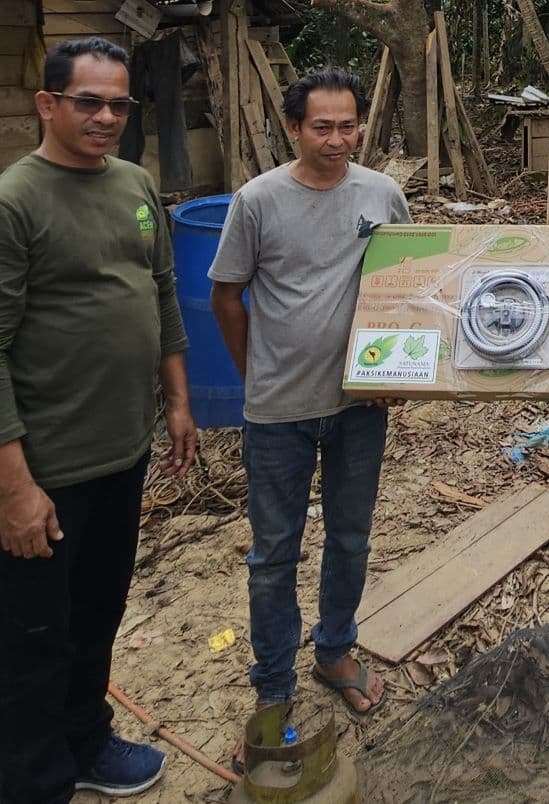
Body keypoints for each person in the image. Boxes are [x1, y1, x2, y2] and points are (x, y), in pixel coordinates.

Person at [0, 38, 195, 802]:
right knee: (31, 639)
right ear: (49, 104)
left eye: (120, 103)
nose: (107, 116)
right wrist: (15, 487)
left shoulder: (135, 184)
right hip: (46, 466)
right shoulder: (17, 201)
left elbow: (162, 295)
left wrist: (177, 402)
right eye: (90, 102)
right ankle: (34, 780)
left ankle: (85, 742)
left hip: (122, 452)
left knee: (96, 613)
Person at [208, 68, 411, 735]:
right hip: (277, 415)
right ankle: (272, 687)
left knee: (350, 539)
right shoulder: (257, 200)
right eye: (321, 127)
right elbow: (227, 296)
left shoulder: (381, 193)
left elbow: (410, 278)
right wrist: (256, 374)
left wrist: (402, 371)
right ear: (293, 128)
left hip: (360, 406)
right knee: (274, 555)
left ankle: (333, 650)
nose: (336, 139)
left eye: (348, 125)